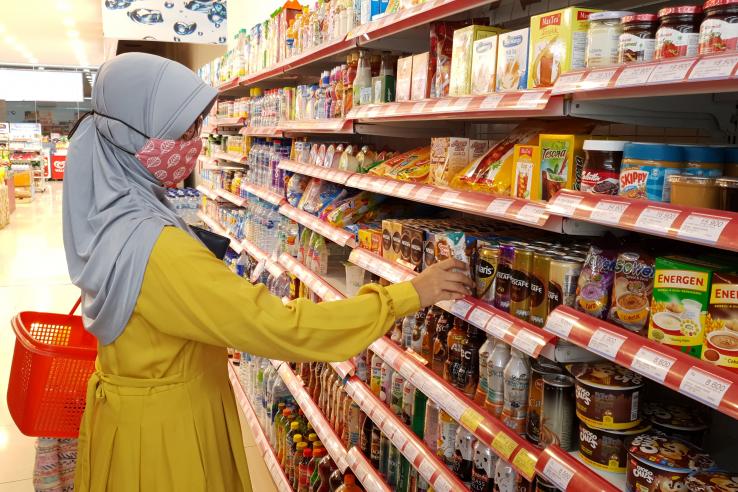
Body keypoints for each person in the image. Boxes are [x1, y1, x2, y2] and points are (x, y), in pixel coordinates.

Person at [62, 53, 473, 492]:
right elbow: (282, 327)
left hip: (134, 423)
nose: (194, 144)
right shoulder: (155, 247)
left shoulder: (111, 211)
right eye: (180, 132)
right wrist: (405, 295)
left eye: (196, 129)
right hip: (165, 446)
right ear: (132, 137)